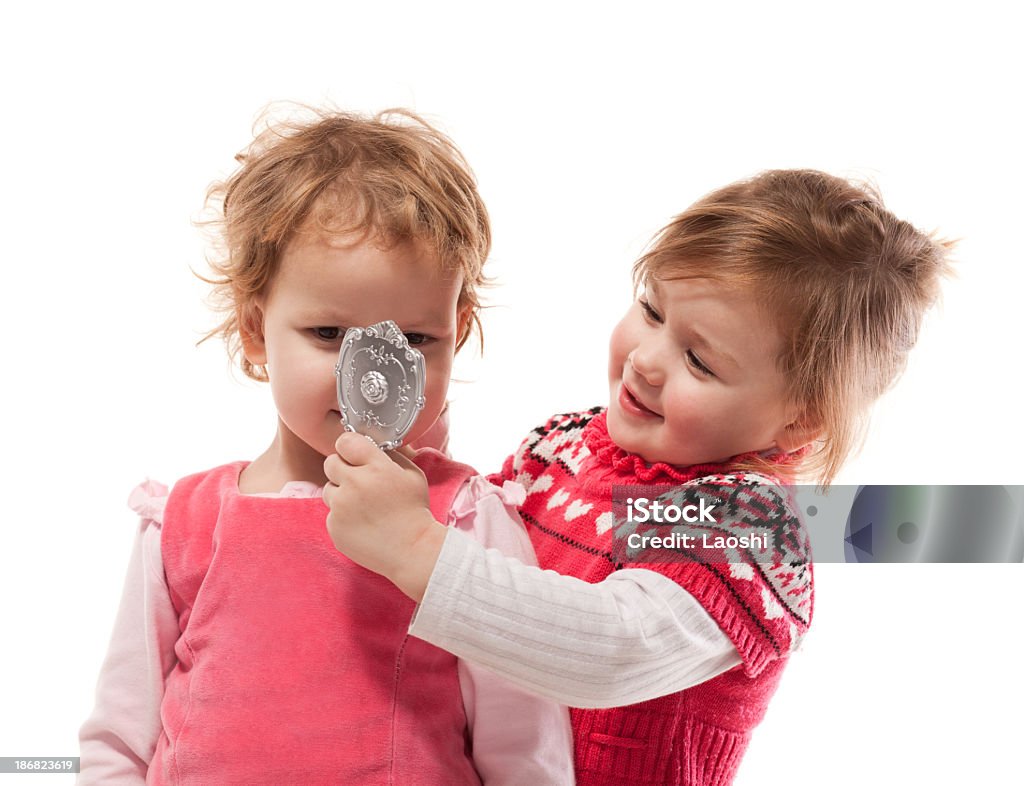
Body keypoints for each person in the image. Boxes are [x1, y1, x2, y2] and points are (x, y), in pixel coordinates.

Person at [323, 169, 953, 785]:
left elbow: (610, 648)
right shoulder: (563, 446)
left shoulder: (744, 525)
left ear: (799, 419)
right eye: (652, 310)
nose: (647, 361)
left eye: (700, 362)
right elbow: (476, 531)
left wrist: (412, 547)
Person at [77, 108, 574, 785]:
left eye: (415, 340)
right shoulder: (183, 523)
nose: (370, 373)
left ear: (455, 331)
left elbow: (525, 749)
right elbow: (118, 739)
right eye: (328, 333)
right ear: (256, 329)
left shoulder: (462, 519)